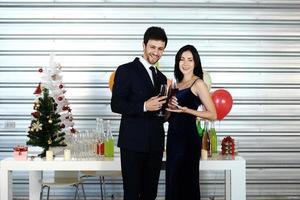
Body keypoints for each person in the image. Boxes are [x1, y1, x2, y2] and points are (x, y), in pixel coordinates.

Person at [111, 26, 168, 200]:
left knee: (150, 194)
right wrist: (143, 106)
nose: (156, 52)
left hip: (156, 146)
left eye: (160, 49)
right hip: (132, 145)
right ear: (143, 45)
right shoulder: (125, 70)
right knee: (132, 194)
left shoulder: (162, 78)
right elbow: (116, 104)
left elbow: (161, 114)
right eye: (152, 47)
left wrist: (169, 110)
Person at [166, 45, 217, 200]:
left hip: (188, 140)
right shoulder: (175, 85)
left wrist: (187, 110)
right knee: (173, 182)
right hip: (173, 139)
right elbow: (167, 116)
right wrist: (169, 106)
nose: (185, 63)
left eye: (190, 59)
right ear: (177, 62)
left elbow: (213, 114)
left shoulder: (198, 83)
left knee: (187, 183)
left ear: (195, 63)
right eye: (182, 59)